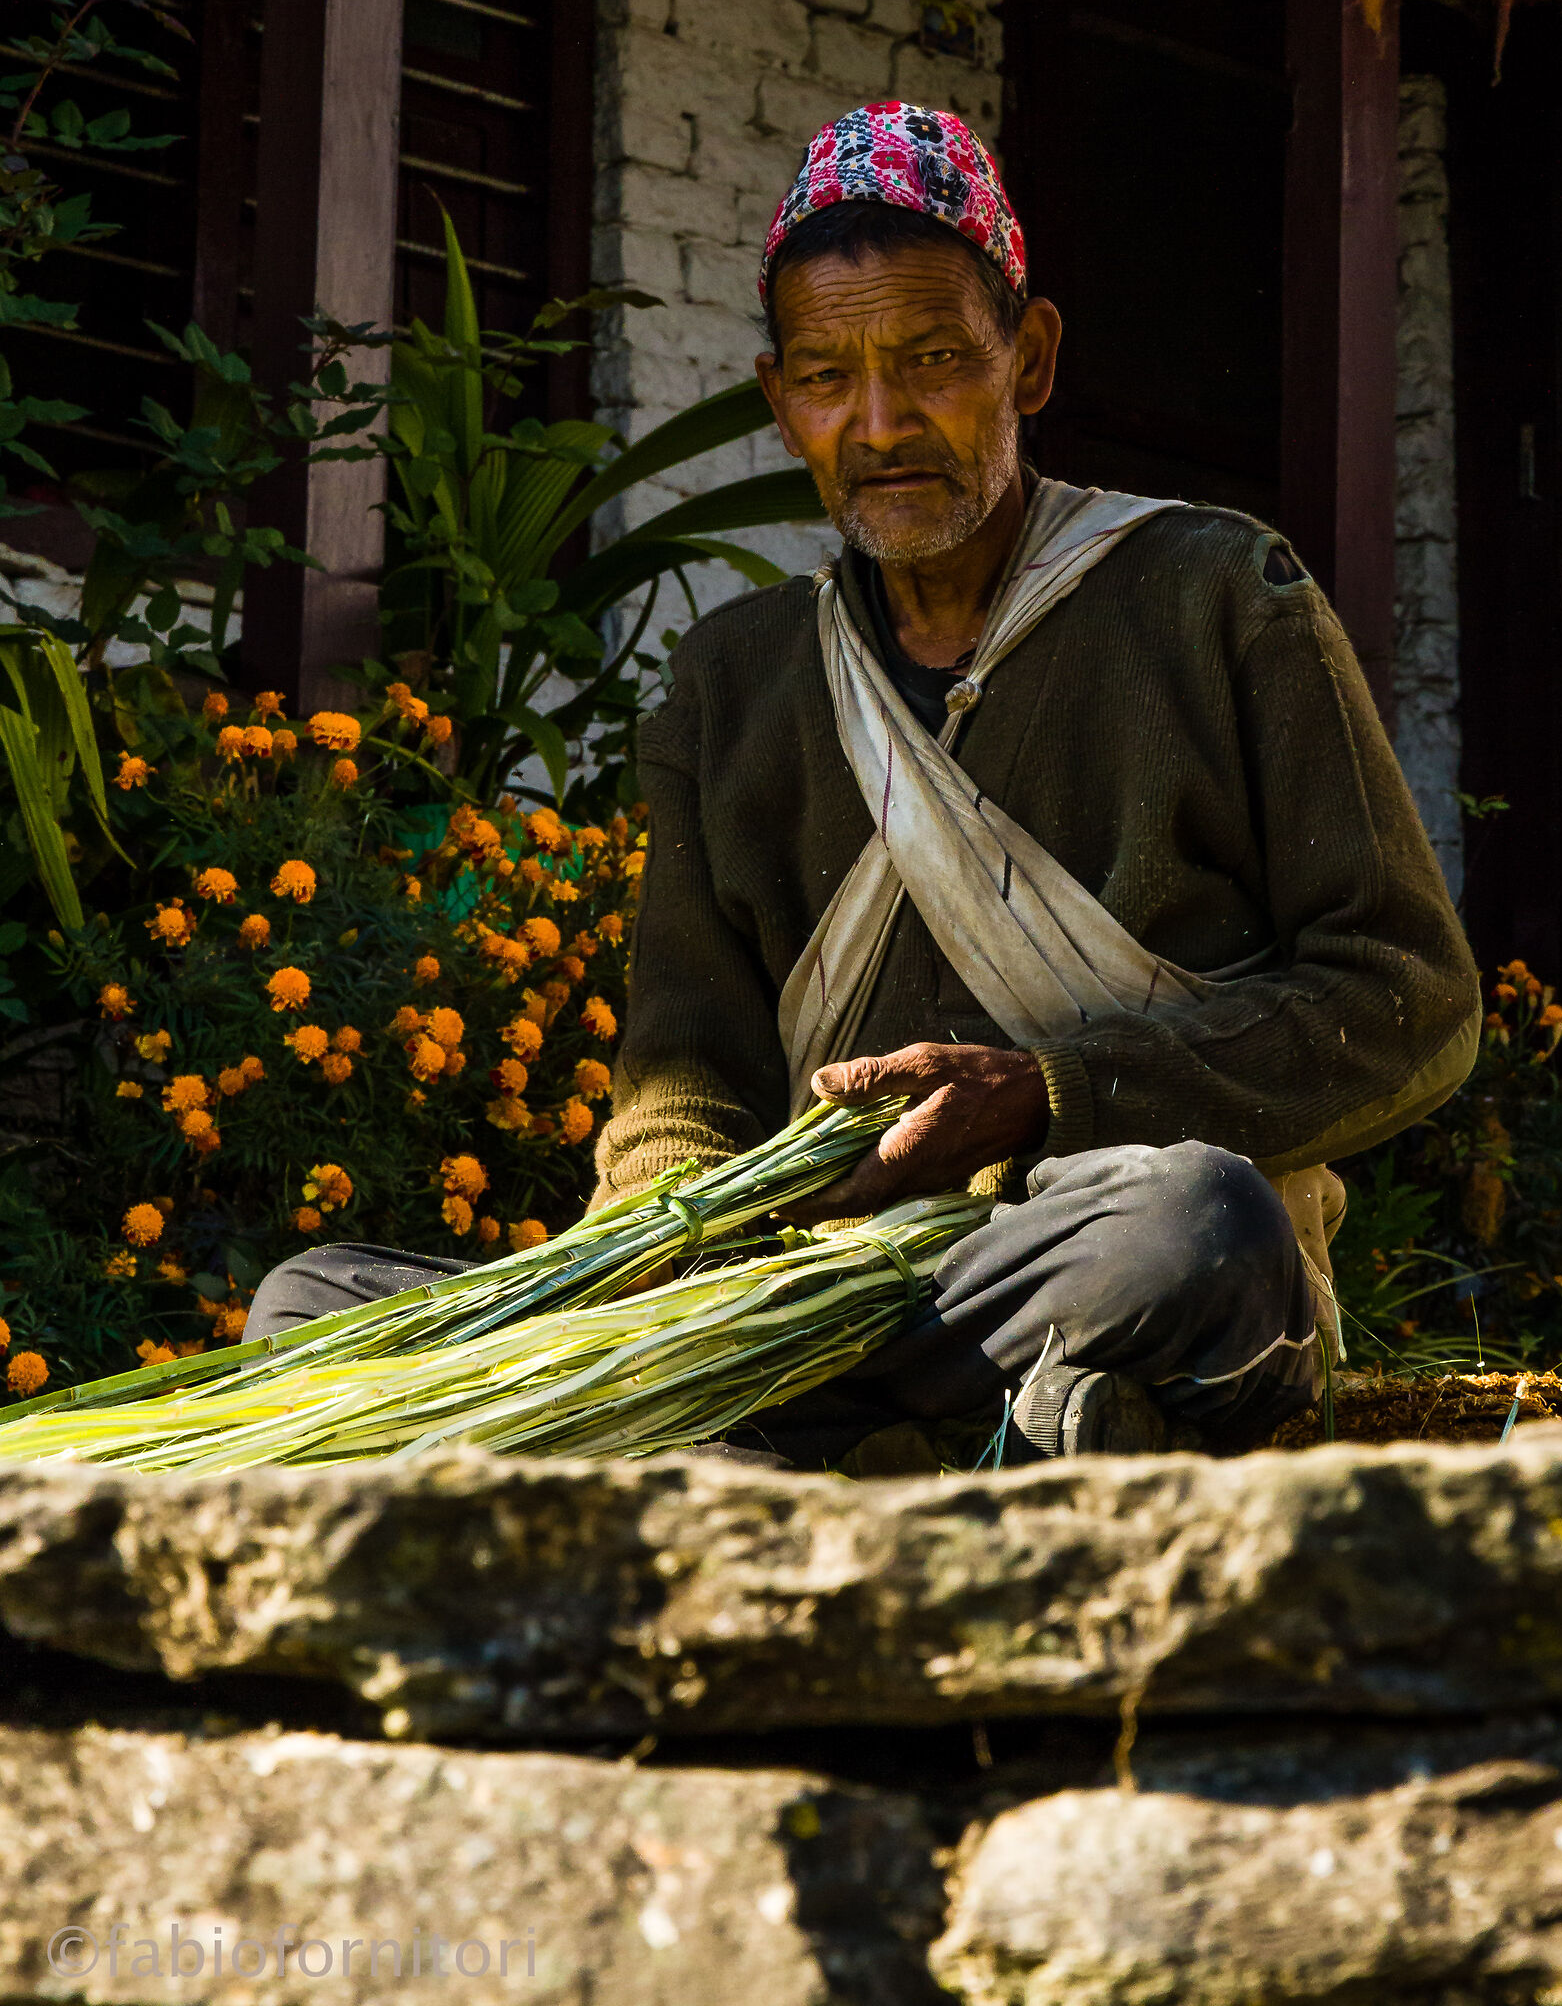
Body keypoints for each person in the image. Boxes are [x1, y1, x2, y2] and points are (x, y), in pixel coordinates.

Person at [248, 101, 1481, 1463]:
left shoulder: (1220, 599)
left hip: (1049, 1267)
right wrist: (669, 1251)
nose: (881, 423)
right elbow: (687, 1078)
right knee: (312, 1311)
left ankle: (788, 1439)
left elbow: (1409, 998)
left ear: (1032, 360)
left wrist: (1051, 1096)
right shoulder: (736, 683)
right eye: (829, 378)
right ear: (782, 405)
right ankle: (897, 1428)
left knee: (1200, 1228)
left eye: (934, 360)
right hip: (798, 1301)